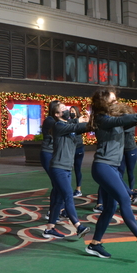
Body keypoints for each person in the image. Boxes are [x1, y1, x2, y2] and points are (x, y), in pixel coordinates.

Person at [86, 89, 137, 259]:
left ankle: (95, 244)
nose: (116, 103)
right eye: (113, 101)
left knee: (110, 208)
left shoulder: (111, 120)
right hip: (103, 167)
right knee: (125, 199)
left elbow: (127, 121)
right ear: (104, 104)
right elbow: (123, 119)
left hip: (110, 167)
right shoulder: (102, 119)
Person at [42, 102, 90, 239]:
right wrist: (79, 121)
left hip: (66, 167)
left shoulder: (68, 126)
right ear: (57, 114)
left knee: (58, 198)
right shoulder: (58, 125)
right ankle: (78, 226)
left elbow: (79, 127)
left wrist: (88, 122)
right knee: (68, 195)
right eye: (63, 109)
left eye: (66, 108)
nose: (67, 110)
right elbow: (74, 126)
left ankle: (49, 229)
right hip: (59, 167)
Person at [70, 106, 85, 197]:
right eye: (70, 111)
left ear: (76, 112)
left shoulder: (81, 121)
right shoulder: (68, 122)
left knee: (77, 168)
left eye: (73, 111)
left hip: (79, 147)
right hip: (70, 148)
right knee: (68, 169)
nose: (71, 112)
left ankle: (78, 189)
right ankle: (68, 189)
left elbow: (84, 127)